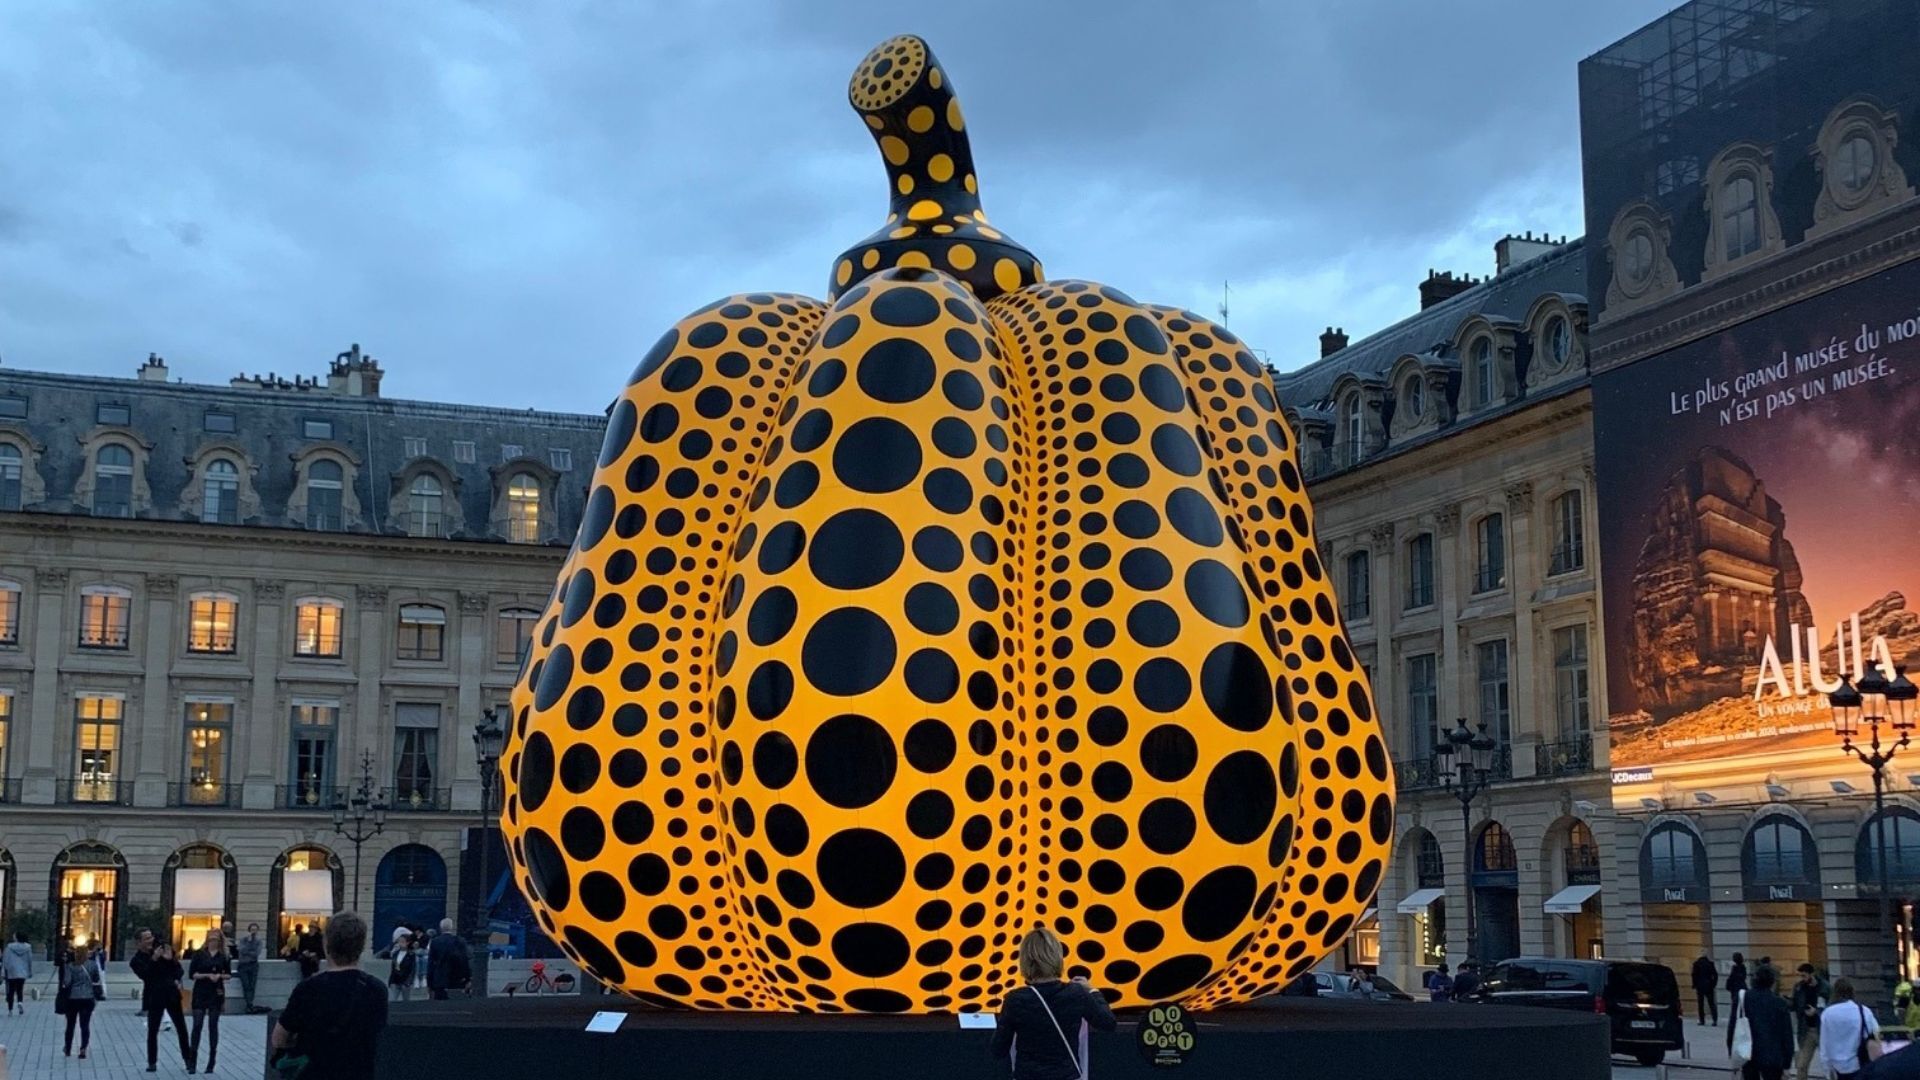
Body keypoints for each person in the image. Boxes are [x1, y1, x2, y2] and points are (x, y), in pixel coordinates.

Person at [272, 910, 390, 1080]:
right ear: (361, 946)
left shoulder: (308, 989)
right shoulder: (376, 989)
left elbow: (279, 1038)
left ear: (326, 945)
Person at [990, 927, 1117, 1080]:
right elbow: (1108, 1023)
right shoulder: (1076, 994)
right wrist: (1093, 991)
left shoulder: (1015, 1000)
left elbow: (998, 1050)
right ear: (1057, 957)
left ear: (1024, 960)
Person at [140, 940, 193, 1073]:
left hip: (172, 996)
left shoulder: (172, 960)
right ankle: (152, 1062)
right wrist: (155, 958)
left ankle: (187, 1059)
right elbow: (146, 974)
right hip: (156, 997)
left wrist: (170, 962)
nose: (164, 951)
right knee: (153, 1030)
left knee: (181, 1028)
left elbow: (179, 971)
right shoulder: (152, 960)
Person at [1734, 965, 1796, 1080]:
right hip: (1773, 1056)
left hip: (1748, 1053)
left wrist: (1734, 1055)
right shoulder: (1779, 1003)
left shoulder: (1743, 998)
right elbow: (1787, 1035)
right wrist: (1787, 1063)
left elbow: (1733, 1027)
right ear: (1772, 982)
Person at [189, 928, 232, 1073]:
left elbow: (228, 974)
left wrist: (219, 976)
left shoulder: (224, 956)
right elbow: (192, 974)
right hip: (201, 991)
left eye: (216, 939)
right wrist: (207, 975)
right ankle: (192, 1060)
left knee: (213, 1026)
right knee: (197, 1025)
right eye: (211, 939)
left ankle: (211, 1060)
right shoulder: (199, 954)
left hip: (216, 992)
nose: (213, 941)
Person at [1819, 977, 1881, 1079]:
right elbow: (1875, 1032)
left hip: (1836, 1066)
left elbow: (1824, 1042)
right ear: (1852, 992)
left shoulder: (1827, 1013)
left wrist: (1826, 1068)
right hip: (1858, 1063)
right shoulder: (1863, 1011)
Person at [60, 944, 101, 1059]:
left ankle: (68, 1048)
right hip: (88, 997)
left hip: (73, 998)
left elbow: (67, 982)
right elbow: (96, 979)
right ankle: (83, 1048)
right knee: (85, 1025)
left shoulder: (70, 966)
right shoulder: (92, 965)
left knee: (70, 1025)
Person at [1791, 963, 1829, 1080]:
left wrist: (1816, 1012)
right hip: (1806, 1029)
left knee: (1828, 1063)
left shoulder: (1825, 987)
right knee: (1802, 1065)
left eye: (1804, 975)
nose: (1802, 978)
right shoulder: (1799, 987)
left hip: (1822, 1030)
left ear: (1811, 974)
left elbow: (1831, 1007)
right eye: (1801, 976)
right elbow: (1795, 1004)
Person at [426, 918, 470, 1000]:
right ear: (452, 927)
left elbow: (431, 963)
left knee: (439, 1004)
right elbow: (464, 961)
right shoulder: (460, 941)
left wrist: (429, 983)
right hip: (457, 978)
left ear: (441, 928)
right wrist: (468, 979)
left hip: (439, 979)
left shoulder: (435, 942)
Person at [235, 923, 264, 1014]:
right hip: (243, 965)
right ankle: (249, 1004)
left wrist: (248, 952)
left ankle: (249, 1004)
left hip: (253, 965)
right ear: (249, 930)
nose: (253, 931)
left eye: (255, 930)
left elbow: (257, 953)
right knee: (246, 985)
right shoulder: (243, 939)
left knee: (252, 985)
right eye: (252, 929)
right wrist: (249, 943)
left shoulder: (259, 941)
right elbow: (241, 949)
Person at [3, 930, 32, 1014]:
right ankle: (20, 1002)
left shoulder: (9, 947)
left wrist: (4, 971)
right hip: (22, 971)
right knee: (20, 989)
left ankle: (10, 1009)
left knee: (11, 990)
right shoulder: (28, 947)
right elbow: (29, 960)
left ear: (16, 938)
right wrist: (29, 971)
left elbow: (6, 960)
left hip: (11, 971)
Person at [388, 931, 418, 1002]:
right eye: (399, 941)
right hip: (395, 980)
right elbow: (393, 967)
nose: (400, 943)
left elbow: (412, 969)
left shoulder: (411, 955)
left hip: (405, 981)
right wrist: (391, 981)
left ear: (407, 943)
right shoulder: (395, 953)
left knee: (406, 1001)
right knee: (393, 1000)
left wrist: (409, 981)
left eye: (402, 942)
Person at [1693, 953, 1721, 1026]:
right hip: (1709, 986)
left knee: (1700, 1004)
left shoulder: (1696, 964)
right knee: (1711, 1003)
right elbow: (1715, 975)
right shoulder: (1710, 964)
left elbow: (1694, 975)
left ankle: (1702, 1020)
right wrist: (1713, 984)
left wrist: (1694, 985)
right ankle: (1714, 1020)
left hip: (1700, 986)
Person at [1729, 952, 1750, 1025]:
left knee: (1735, 1005)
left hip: (1735, 988)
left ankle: (1737, 1019)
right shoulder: (1743, 967)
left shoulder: (1735, 968)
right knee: (1743, 1004)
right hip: (1742, 987)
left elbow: (1731, 978)